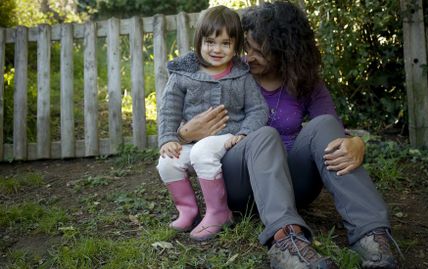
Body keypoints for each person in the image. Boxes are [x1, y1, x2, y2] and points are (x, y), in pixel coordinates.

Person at [177, 2, 401, 269]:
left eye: (259, 51)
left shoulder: (304, 81)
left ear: (284, 51)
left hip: (292, 183)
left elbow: (332, 131)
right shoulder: (227, 75)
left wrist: (354, 142)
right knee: (263, 134)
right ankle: (285, 240)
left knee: (325, 124)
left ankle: (371, 233)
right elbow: (185, 135)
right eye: (246, 48)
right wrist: (184, 133)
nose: (248, 57)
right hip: (238, 182)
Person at [156, 5, 268, 242]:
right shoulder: (183, 73)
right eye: (210, 42)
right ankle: (188, 210)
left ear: (236, 46)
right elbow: (169, 109)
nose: (217, 49)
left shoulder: (241, 74)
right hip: (193, 140)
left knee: (202, 150)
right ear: (199, 41)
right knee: (168, 162)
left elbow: (258, 109)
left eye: (226, 43)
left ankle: (219, 212)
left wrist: (246, 132)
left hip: (229, 137)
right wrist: (168, 138)